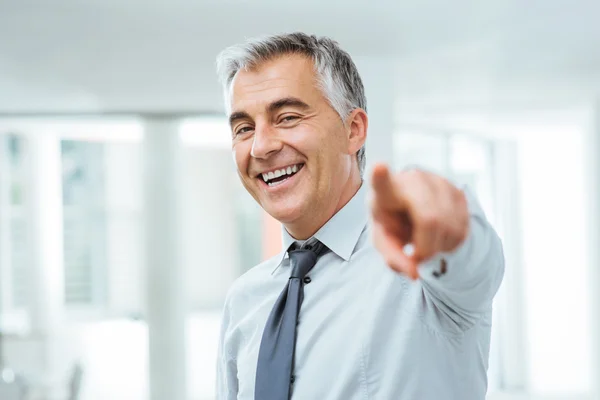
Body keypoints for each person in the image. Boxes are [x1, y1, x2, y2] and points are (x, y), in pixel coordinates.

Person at [215, 32, 504, 400]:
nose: (261, 145)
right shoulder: (244, 301)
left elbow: (471, 260)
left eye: (287, 117)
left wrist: (448, 223)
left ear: (353, 130)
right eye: (243, 128)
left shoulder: (424, 276)